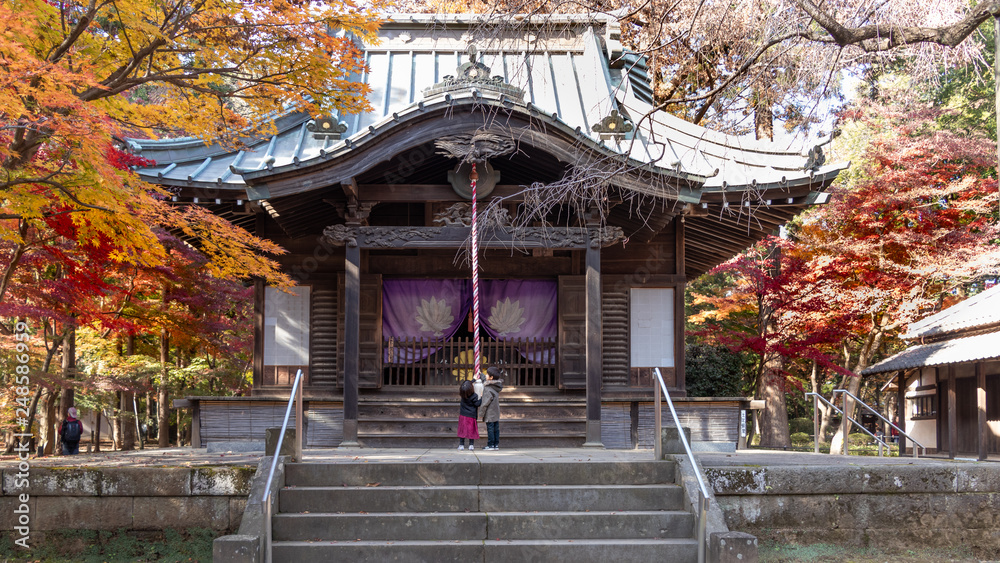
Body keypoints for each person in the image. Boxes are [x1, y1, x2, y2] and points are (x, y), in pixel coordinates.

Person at [480, 366, 504, 451]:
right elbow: (485, 381)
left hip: (490, 412)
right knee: (496, 428)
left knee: (490, 428)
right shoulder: (496, 385)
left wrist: (481, 414)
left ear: (491, 377)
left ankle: (490, 445)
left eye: (487, 374)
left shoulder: (487, 388)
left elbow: (485, 403)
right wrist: (481, 375)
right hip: (496, 411)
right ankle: (495, 445)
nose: (486, 375)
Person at [457, 379, 481, 450]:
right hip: (471, 416)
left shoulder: (463, 395)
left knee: (462, 430)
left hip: (463, 415)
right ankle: (471, 445)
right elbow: (477, 404)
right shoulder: (474, 396)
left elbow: (466, 385)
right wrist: (482, 398)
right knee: (471, 430)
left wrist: (473, 379)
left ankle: (461, 445)